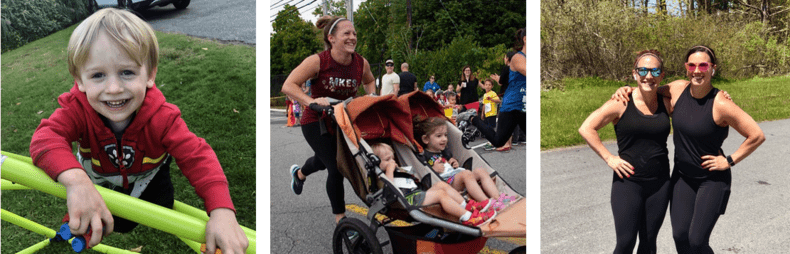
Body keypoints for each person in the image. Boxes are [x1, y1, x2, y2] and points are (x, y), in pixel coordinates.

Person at [28, 9, 248, 253]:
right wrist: (77, 183)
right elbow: (45, 139)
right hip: (98, 180)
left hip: (149, 178)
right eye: (98, 75)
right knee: (106, 221)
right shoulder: (76, 109)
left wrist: (222, 212)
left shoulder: (163, 117)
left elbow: (198, 157)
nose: (113, 88)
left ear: (150, 74)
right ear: (79, 80)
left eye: (127, 72)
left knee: (162, 207)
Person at [613, 45, 765, 254]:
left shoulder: (721, 103)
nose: (697, 70)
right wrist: (626, 89)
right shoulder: (677, 89)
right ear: (686, 67)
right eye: (691, 65)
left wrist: (729, 160)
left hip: (711, 180)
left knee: (696, 241)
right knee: (680, 236)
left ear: (713, 68)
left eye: (703, 65)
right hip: (682, 178)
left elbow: (756, 135)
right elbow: (649, 86)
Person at [281, 15, 377, 223]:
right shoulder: (318, 61)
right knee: (336, 166)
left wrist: (370, 98)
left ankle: (299, 174)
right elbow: (289, 85)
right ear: (332, 38)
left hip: (343, 120)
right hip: (316, 121)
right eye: (346, 34)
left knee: (324, 161)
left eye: (354, 34)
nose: (352, 37)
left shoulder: (361, 63)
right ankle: (341, 221)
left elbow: (370, 82)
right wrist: (312, 102)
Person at [578, 50, 672, 254]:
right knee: (626, 242)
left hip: (660, 183)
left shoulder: (667, 102)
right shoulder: (621, 103)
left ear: (662, 75)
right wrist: (609, 158)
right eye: (643, 70)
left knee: (649, 242)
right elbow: (586, 128)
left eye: (655, 70)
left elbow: (690, 89)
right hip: (628, 183)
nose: (649, 75)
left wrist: (721, 94)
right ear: (634, 73)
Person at [370, 143, 495, 226]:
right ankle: (467, 217)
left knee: (441, 185)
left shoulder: (398, 170)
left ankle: (468, 206)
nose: (392, 162)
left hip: (417, 193)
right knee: (440, 194)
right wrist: (390, 171)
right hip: (408, 199)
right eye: (387, 160)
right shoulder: (384, 177)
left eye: (393, 158)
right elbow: (391, 189)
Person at [413, 116, 517, 211]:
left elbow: (449, 162)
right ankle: (487, 203)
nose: (444, 139)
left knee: (480, 170)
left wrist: (453, 162)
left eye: (445, 135)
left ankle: (498, 198)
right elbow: (423, 172)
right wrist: (433, 169)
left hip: (454, 176)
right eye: (439, 136)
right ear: (426, 139)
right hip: (445, 184)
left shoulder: (444, 151)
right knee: (466, 173)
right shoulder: (424, 154)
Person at [463, 28, 526, 150]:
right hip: (512, 107)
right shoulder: (518, 58)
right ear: (525, 39)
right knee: (498, 141)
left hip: (523, 105)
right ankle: (472, 118)